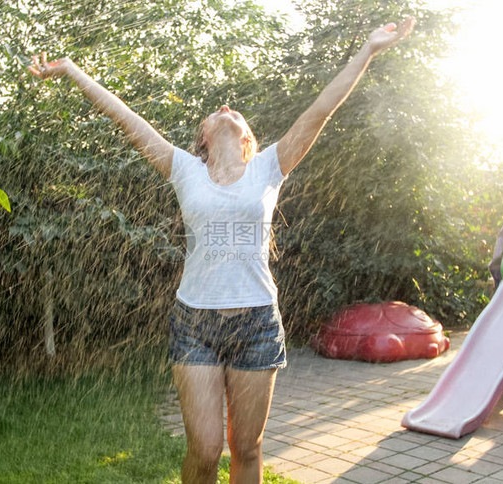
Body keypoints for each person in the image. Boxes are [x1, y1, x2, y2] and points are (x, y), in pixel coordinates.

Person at [29, 16, 415, 484]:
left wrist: (368, 51)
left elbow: (321, 111)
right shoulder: (184, 169)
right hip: (195, 323)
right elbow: (125, 117)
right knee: (206, 450)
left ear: (247, 138)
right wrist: (71, 69)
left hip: (256, 322)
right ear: (205, 137)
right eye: (215, 111)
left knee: (246, 450)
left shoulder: (269, 167)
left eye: (234, 110)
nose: (226, 106)